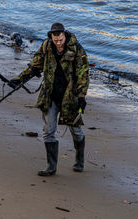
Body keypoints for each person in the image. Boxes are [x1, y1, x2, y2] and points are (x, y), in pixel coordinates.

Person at [8, 22, 90, 176]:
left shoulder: (77, 49)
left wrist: (81, 97)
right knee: (48, 131)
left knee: (76, 130)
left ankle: (79, 161)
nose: (58, 43)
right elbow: (35, 66)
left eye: (60, 40)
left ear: (64, 35)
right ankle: (51, 167)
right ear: (51, 36)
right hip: (50, 95)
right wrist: (19, 80)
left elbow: (83, 74)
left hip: (69, 96)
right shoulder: (46, 46)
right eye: (55, 40)